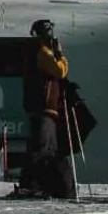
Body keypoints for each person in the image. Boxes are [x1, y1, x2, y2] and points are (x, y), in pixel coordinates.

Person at [19, 19, 75, 198]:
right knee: (42, 150)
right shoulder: (42, 52)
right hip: (43, 108)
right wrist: (60, 54)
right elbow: (60, 71)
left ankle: (39, 185)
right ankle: (34, 185)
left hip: (42, 108)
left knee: (44, 149)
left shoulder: (36, 51)